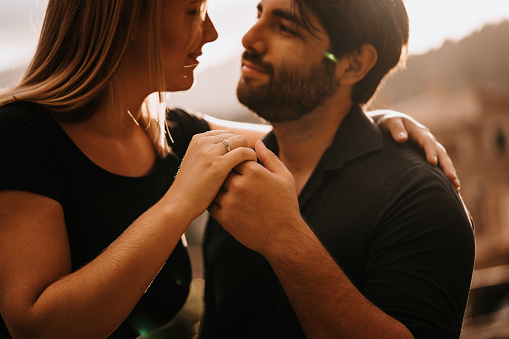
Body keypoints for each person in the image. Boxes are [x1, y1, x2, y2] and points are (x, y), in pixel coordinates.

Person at [0, 0, 458, 338]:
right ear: (128, 18)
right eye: (194, 11)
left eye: (284, 26)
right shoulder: (22, 133)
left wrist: (373, 120)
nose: (222, 34)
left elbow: (306, 131)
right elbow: (36, 327)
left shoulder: (172, 135)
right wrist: (179, 203)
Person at [202, 0, 475, 338]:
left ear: (352, 63)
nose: (248, 38)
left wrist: (284, 239)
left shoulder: (418, 195)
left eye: (286, 27)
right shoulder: (236, 180)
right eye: (259, 14)